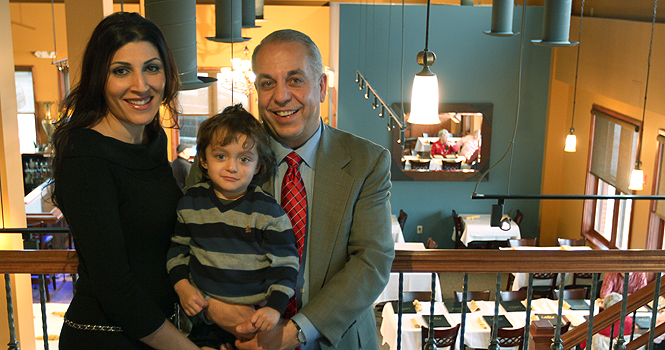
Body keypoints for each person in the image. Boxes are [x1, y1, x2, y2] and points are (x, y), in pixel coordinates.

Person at [186, 29, 395, 350]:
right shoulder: (223, 156)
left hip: (337, 340)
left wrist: (296, 331)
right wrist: (216, 308)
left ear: (322, 87)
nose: (281, 96)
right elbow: (186, 243)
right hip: (240, 339)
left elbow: (372, 260)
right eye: (268, 83)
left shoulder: (367, 161)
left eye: (295, 80)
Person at [51, 12, 215, 350]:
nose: (141, 86)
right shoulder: (86, 157)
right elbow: (116, 288)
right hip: (106, 338)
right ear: (99, 78)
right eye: (121, 71)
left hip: (158, 332)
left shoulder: (149, 140)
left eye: (152, 68)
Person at [167, 105, 299, 347]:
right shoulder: (190, 202)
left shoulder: (268, 211)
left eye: (245, 159)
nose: (232, 167)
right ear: (204, 160)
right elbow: (177, 251)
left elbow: (286, 264)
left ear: (258, 166)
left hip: (255, 320)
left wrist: (274, 308)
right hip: (203, 322)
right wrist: (182, 285)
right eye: (221, 156)